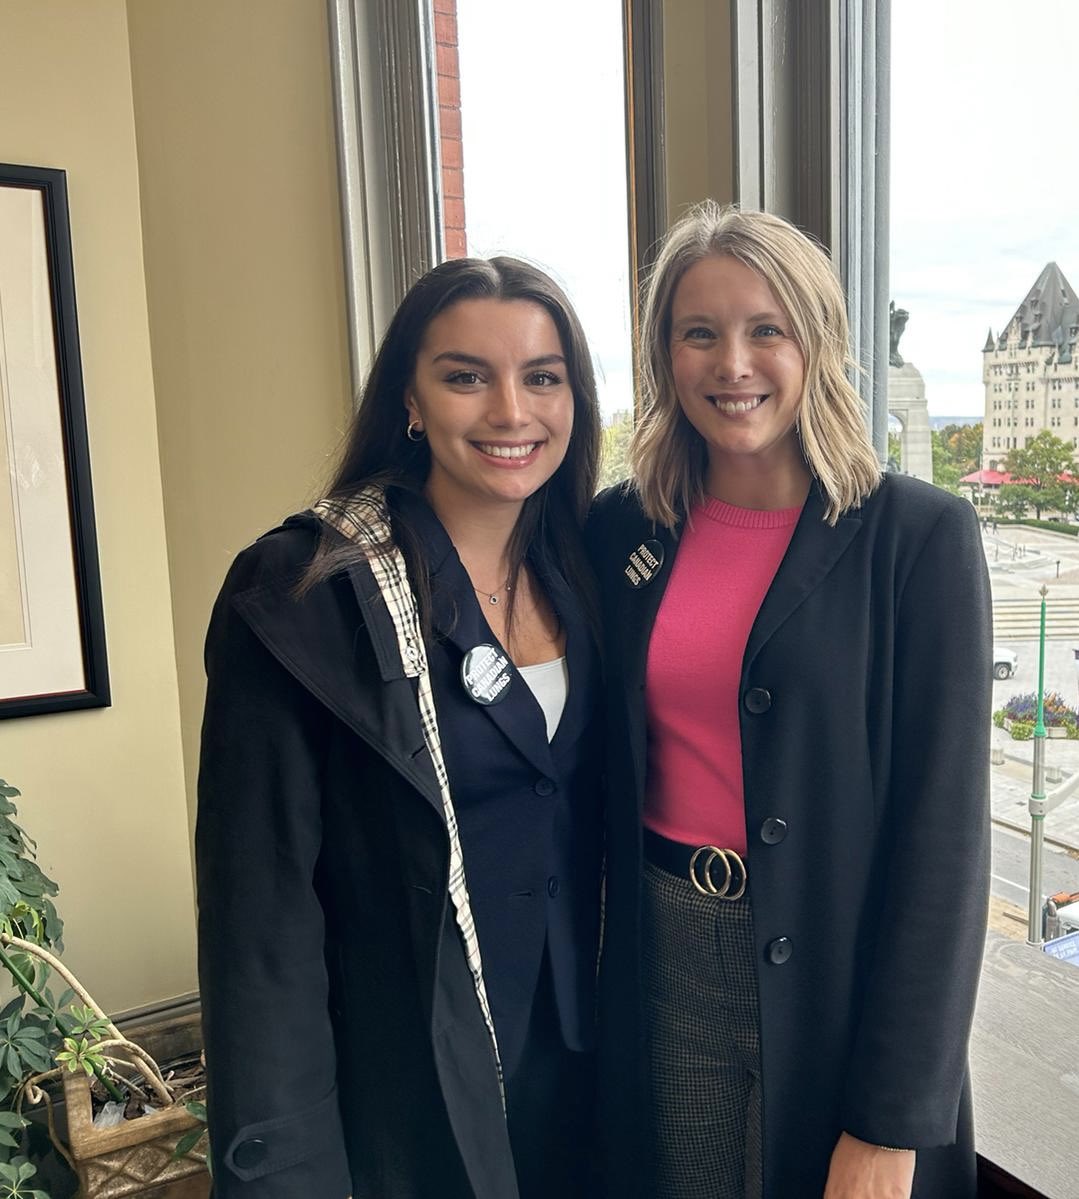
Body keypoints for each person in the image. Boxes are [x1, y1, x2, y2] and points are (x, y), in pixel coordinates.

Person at [587, 202, 990, 1199]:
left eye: (765, 329)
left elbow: (942, 846)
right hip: (663, 953)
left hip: (838, 979)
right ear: (663, 358)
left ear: (814, 346)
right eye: (698, 332)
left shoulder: (917, 539)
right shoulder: (617, 531)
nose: (732, 362)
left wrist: (890, 1117)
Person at [196, 256, 604, 1199]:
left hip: (583, 1064)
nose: (511, 410)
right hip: (409, 1088)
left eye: (542, 377)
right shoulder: (302, 594)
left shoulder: (583, 568)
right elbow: (260, 916)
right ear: (410, 401)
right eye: (466, 376)